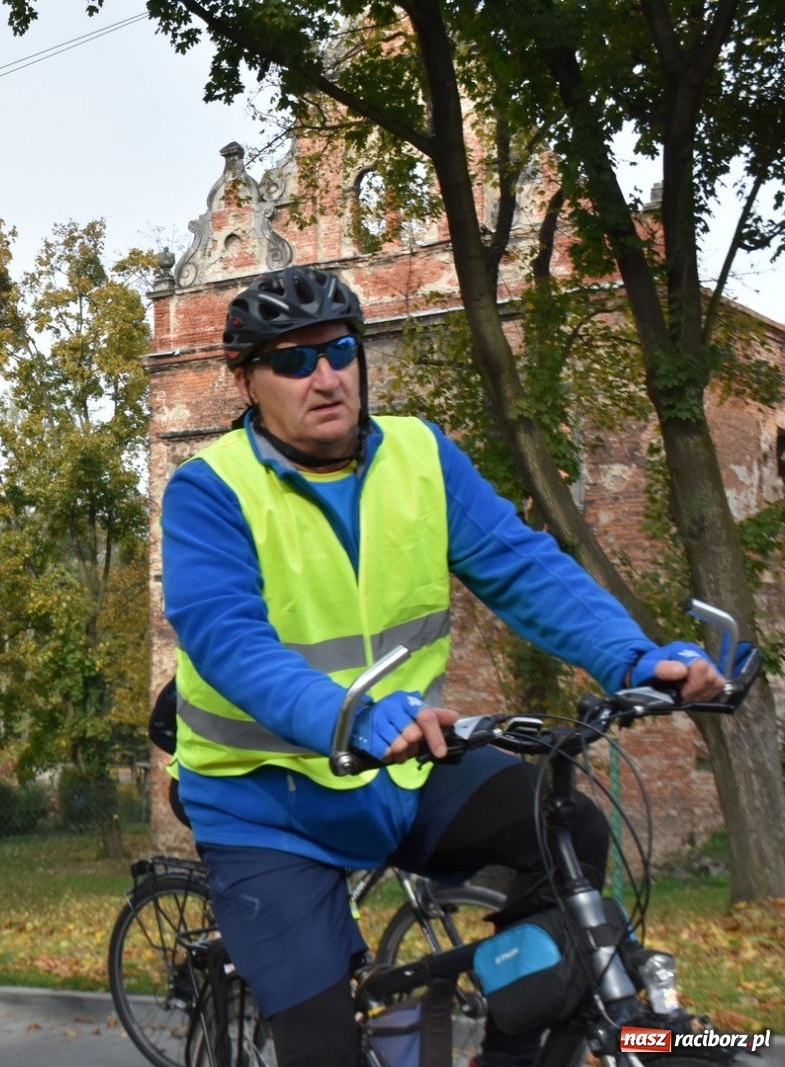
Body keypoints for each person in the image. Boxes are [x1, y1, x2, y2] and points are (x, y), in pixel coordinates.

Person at [159, 265, 725, 1067]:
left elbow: (520, 564)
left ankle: (515, 1049)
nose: (324, 376)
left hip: (402, 773)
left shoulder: (421, 456)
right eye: (292, 360)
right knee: (321, 1050)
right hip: (267, 805)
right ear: (247, 379)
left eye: (341, 350)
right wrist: (349, 715)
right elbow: (226, 637)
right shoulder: (210, 488)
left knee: (569, 827)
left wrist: (631, 655)